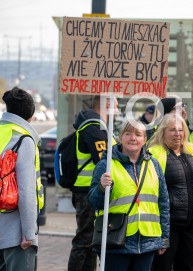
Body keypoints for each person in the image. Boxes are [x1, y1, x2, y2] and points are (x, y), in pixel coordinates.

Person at [87, 121, 170, 271]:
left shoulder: (154, 164)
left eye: (138, 134)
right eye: (128, 134)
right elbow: (93, 202)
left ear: (145, 139)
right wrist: (101, 188)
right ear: (120, 137)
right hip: (116, 240)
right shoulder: (106, 165)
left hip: (147, 241)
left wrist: (164, 237)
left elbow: (163, 202)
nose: (133, 138)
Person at [149, 114, 193, 271]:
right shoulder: (154, 153)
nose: (177, 134)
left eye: (180, 130)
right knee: (162, 267)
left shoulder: (190, 150)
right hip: (168, 225)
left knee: (188, 267)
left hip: (191, 223)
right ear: (163, 132)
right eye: (172, 130)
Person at [68, 95, 118, 271]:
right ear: (106, 105)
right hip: (87, 191)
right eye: (115, 106)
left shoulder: (100, 126)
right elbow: (103, 159)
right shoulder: (93, 126)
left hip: (92, 189)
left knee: (91, 241)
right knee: (83, 240)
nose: (117, 111)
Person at [0, 87, 44, 271]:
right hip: (15, 234)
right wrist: (29, 234)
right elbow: (27, 192)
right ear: (31, 114)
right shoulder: (23, 139)